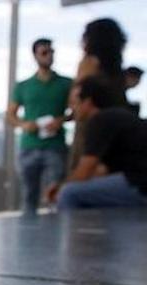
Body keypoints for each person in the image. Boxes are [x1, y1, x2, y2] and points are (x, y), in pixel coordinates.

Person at [47, 76, 147, 209]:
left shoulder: (99, 121)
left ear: (87, 102)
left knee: (69, 193)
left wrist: (61, 187)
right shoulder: (115, 117)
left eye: (73, 103)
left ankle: (68, 230)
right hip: (136, 182)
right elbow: (102, 170)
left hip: (140, 185)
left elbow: (85, 170)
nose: (71, 108)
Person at [6, 38, 72, 216]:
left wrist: (61, 120)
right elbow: (10, 115)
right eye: (44, 52)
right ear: (35, 56)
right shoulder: (23, 86)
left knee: (55, 195)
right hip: (29, 146)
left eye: (51, 52)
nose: (49, 56)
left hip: (55, 147)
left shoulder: (66, 84)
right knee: (29, 196)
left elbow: (77, 110)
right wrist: (24, 124)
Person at [67, 18, 128, 173]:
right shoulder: (117, 72)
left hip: (90, 133)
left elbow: (76, 102)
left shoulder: (88, 64)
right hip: (115, 138)